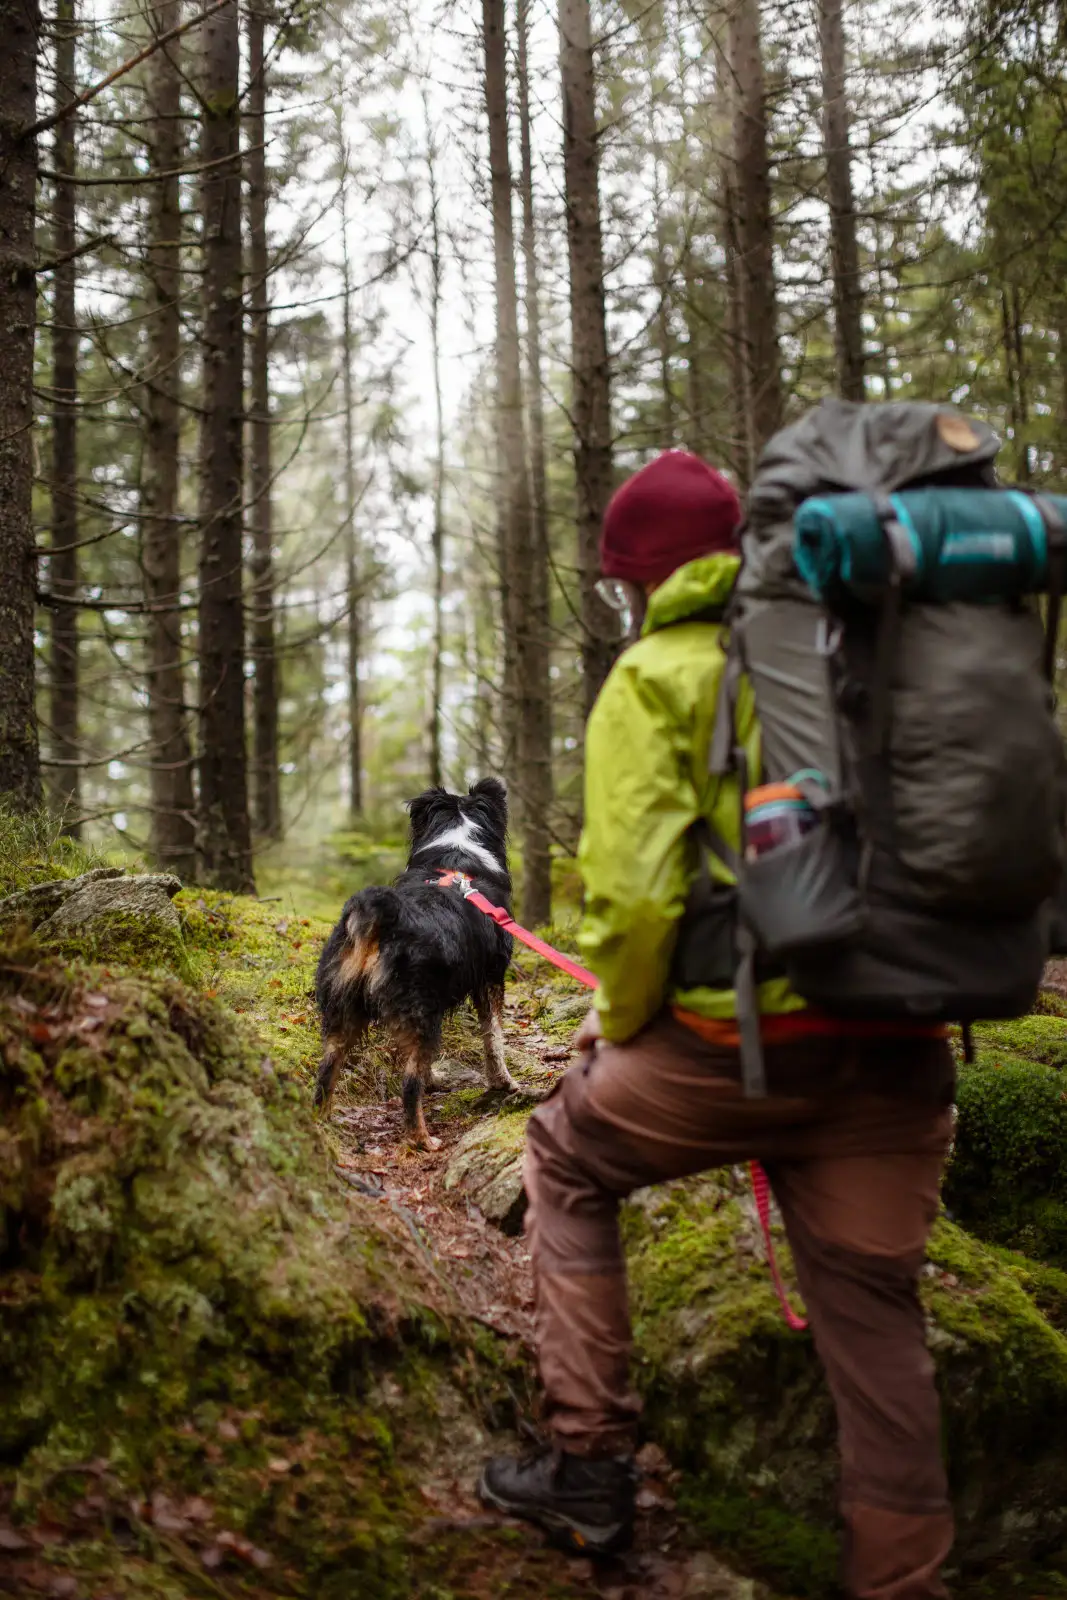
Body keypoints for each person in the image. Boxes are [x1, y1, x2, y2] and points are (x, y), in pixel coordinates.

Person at [478, 449, 956, 1600]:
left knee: (561, 1159)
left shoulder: (655, 676)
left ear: (634, 579)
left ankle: (588, 1467)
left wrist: (613, 1021)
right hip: (897, 1050)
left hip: (728, 1052)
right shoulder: (851, 646)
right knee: (875, 1318)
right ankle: (903, 1580)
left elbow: (636, 900)